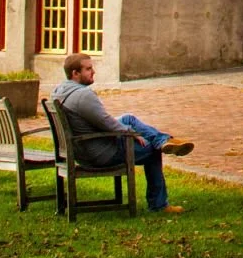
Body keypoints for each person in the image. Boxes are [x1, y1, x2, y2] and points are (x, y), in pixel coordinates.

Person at [51, 52, 194, 214]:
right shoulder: (83, 95)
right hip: (99, 153)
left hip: (81, 151)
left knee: (128, 118)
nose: (93, 72)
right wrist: (131, 133)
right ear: (75, 73)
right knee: (152, 150)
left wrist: (128, 128)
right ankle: (158, 204)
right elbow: (106, 123)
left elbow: (102, 122)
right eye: (88, 69)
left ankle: (164, 140)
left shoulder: (59, 91)